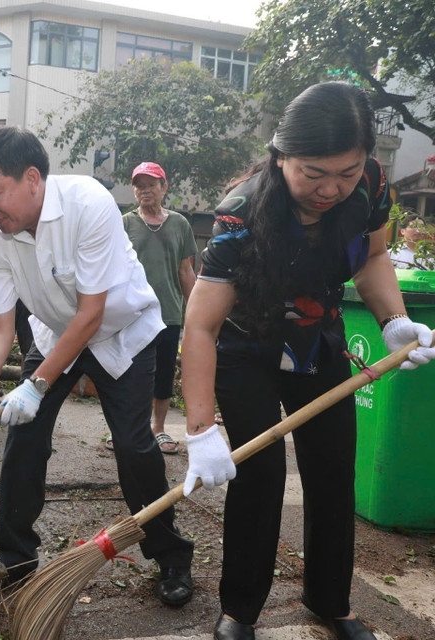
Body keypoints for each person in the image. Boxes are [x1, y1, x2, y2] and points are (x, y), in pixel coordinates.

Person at [180, 82, 435, 640]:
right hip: (247, 347)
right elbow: (201, 326)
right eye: (313, 173)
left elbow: (372, 257)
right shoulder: (240, 213)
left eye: (346, 172)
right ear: (281, 155)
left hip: (318, 341)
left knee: (333, 468)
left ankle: (330, 601)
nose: (331, 189)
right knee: (260, 475)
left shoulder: (371, 186)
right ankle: (240, 610)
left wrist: (393, 321)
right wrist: (199, 430)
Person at [0, 126, 195, 605]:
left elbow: (92, 313)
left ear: (31, 178)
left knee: (134, 447)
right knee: (24, 438)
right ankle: (15, 559)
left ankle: (171, 556)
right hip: (57, 334)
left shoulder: (87, 203)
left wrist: (34, 386)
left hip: (122, 334)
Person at [112, 162, 196, 454]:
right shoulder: (124, 224)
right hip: (131, 313)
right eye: (140, 186)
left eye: (151, 185)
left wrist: (195, 313)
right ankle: (125, 429)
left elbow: (186, 271)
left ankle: (158, 429)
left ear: (164, 187)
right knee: (127, 373)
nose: (145, 190)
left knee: (163, 374)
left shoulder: (180, 224)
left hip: (168, 312)